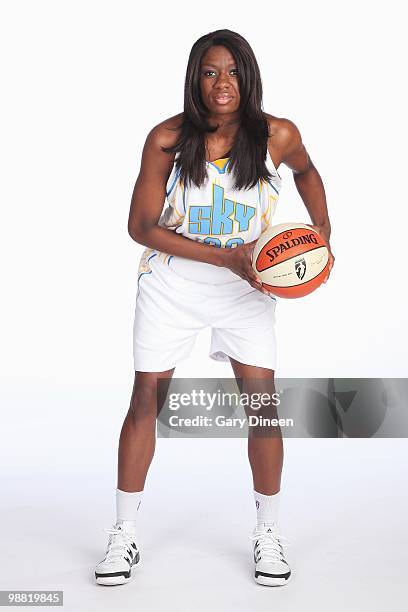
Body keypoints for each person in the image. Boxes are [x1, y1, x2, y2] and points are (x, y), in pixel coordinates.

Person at [94, 28, 334, 587]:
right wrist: (223, 258)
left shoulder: (277, 135)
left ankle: (269, 534)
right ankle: (123, 534)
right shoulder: (168, 139)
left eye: (231, 72)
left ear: (247, 77)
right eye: (209, 72)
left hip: (247, 288)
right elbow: (141, 227)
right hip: (173, 283)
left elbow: (308, 172)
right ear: (194, 79)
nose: (221, 83)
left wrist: (321, 234)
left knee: (262, 405)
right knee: (145, 400)